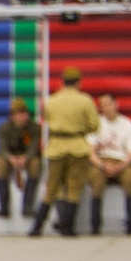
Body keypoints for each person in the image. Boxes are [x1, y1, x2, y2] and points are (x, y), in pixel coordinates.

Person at [33, 69, 97, 237]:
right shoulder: (85, 100)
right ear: (78, 82)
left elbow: (46, 119)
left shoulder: (51, 101)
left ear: (62, 82)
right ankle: (68, 227)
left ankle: (37, 227)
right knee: (74, 187)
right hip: (78, 146)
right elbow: (94, 125)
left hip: (56, 146)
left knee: (51, 187)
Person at [87, 92, 131, 235]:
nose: (105, 108)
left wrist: (120, 166)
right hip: (101, 160)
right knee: (96, 180)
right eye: (102, 106)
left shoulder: (127, 124)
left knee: (130, 179)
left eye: (108, 104)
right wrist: (101, 165)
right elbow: (90, 152)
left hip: (121, 161)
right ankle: (95, 225)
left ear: (116, 104)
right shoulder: (95, 124)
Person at [0, 100, 38, 221]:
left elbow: (33, 147)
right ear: (12, 116)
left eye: (25, 114)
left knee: (35, 165)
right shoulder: (5, 128)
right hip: (9, 155)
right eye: (20, 114)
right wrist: (10, 158)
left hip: (26, 155)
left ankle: (27, 206)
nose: (24, 117)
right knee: (0, 165)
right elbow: (2, 147)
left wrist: (26, 157)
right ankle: (4, 207)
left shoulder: (33, 127)